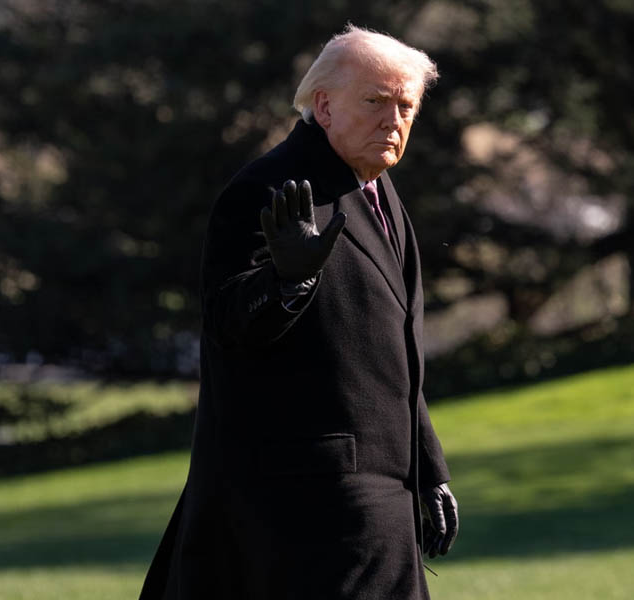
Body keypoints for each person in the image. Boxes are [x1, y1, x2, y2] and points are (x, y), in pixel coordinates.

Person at [140, 25, 458, 600]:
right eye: (375, 100)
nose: (394, 119)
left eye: (405, 105)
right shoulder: (268, 188)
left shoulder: (379, 192)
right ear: (325, 105)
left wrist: (428, 466)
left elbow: (394, 353)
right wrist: (289, 277)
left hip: (375, 501)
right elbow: (229, 326)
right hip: (301, 506)